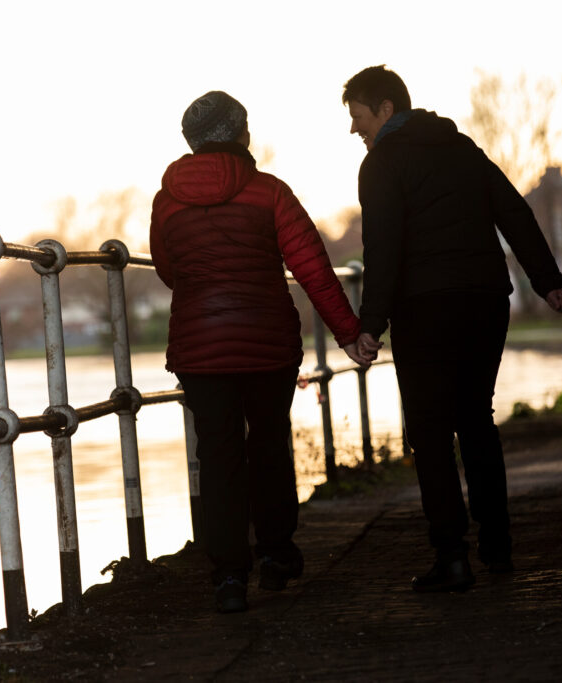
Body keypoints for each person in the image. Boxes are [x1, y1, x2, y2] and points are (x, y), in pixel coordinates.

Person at [342, 65, 562, 593]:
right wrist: (547, 280)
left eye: (358, 118)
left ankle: (452, 557)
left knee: (429, 432)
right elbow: (512, 210)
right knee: (475, 420)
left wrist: (369, 325)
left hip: (425, 309)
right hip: (483, 302)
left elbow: (383, 249)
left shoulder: (381, 165)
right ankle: (499, 547)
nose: (355, 130)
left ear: (385, 109)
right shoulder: (461, 147)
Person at [150, 90, 370, 613]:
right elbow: (312, 268)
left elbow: (168, 269)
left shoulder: (167, 200)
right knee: (269, 444)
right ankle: (274, 554)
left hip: (199, 347)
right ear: (242, 134)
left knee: (218, 454)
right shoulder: (269, 192)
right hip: (267, 345)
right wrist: (348, 331)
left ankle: (228, 576)